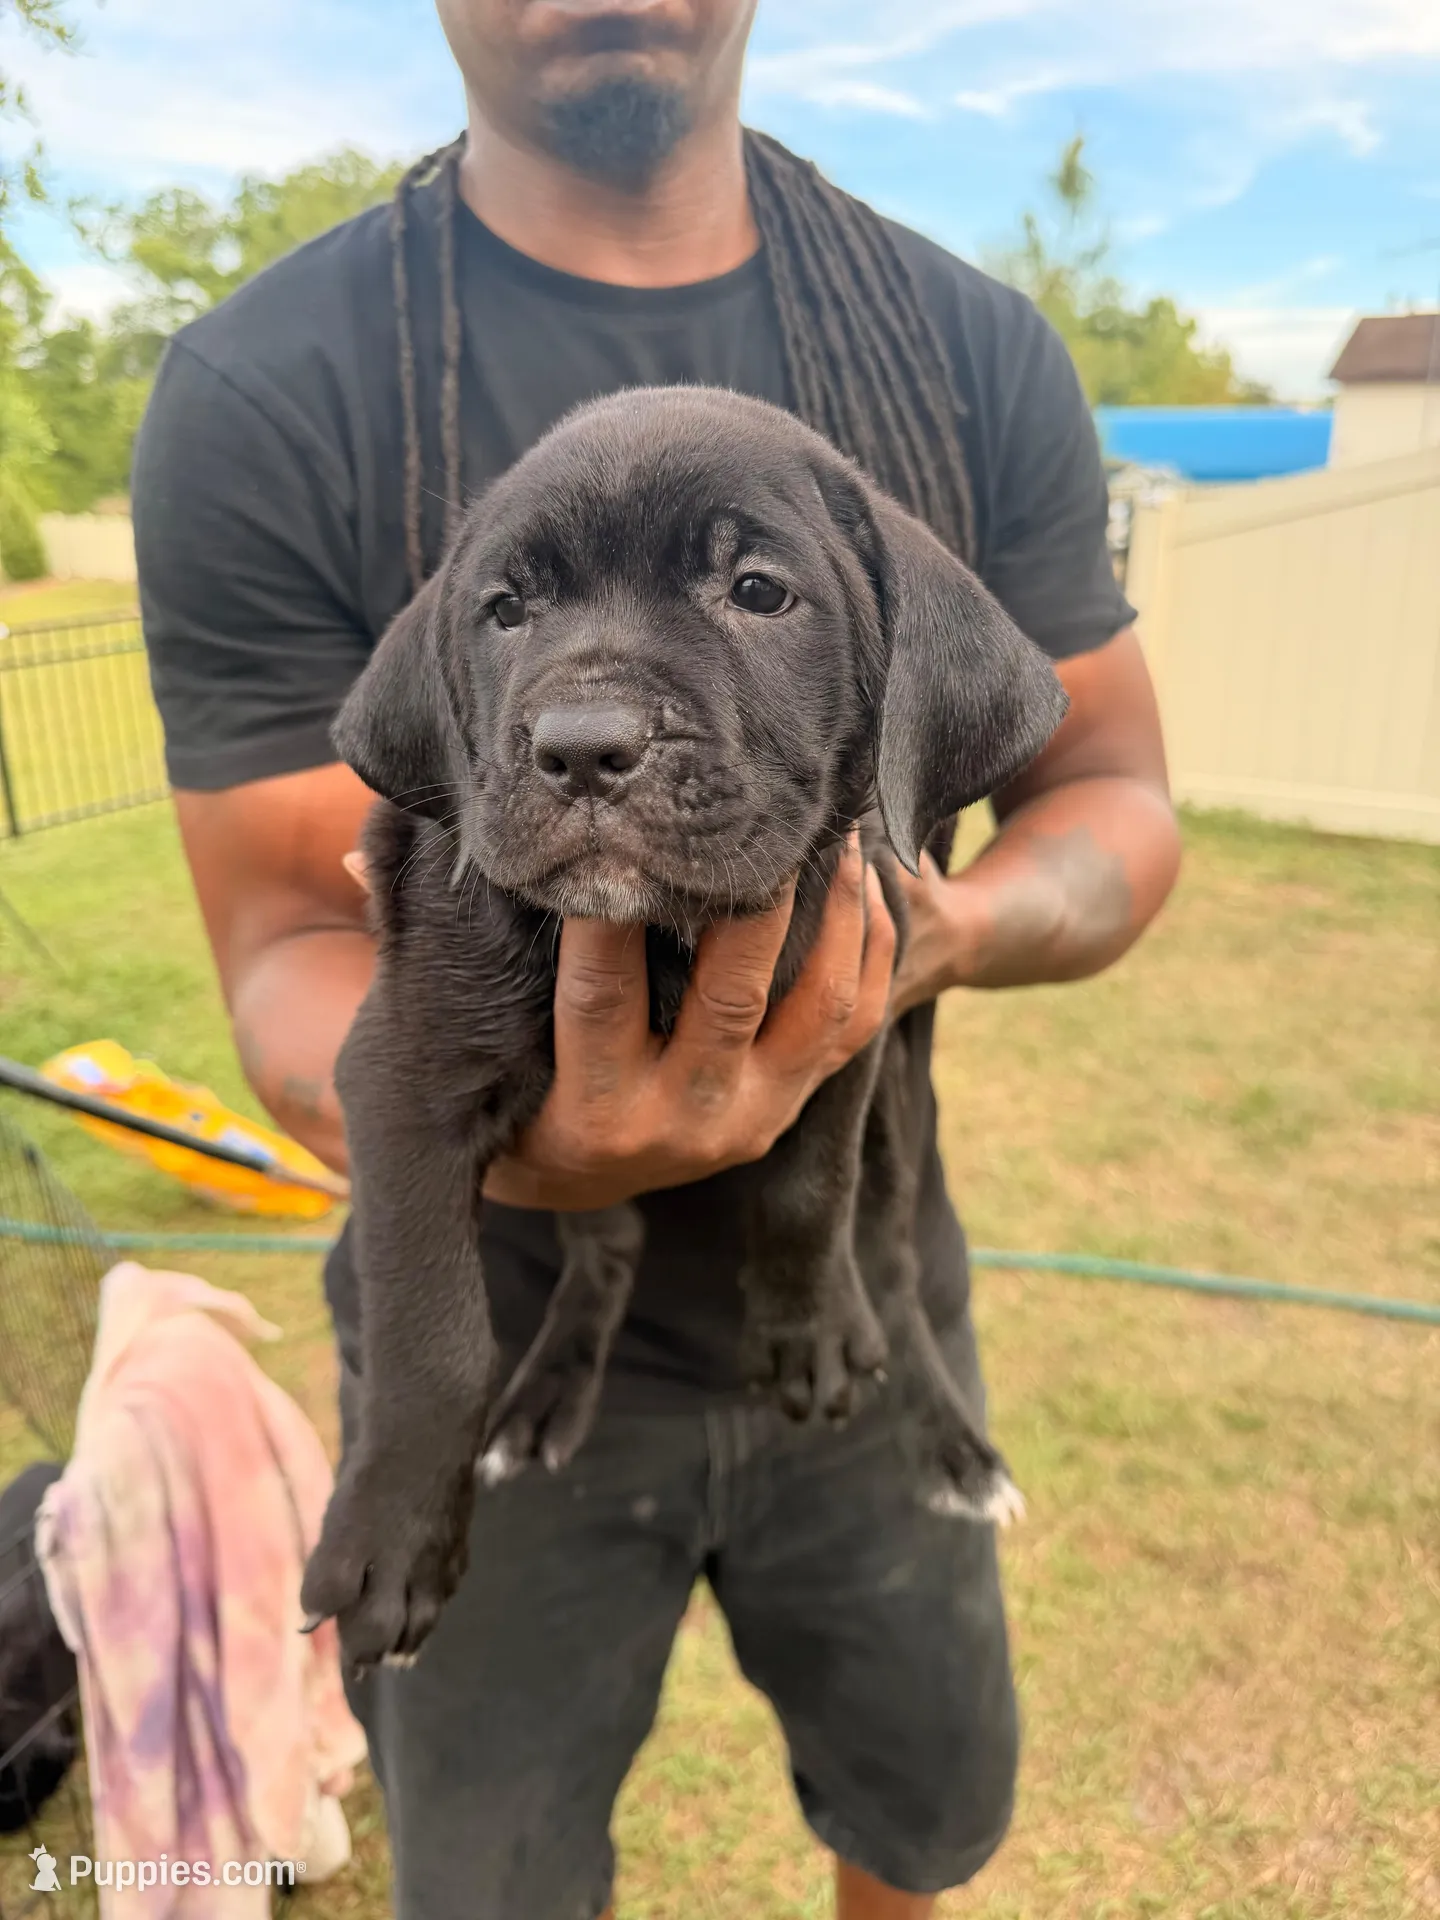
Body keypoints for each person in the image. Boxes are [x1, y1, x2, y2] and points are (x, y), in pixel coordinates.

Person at [132, 2, 1182, 1914]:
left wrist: (938, 928)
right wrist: (514, 1143)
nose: (594, 721)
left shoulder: (963, 347)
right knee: (499, 1873)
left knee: (919, 1807)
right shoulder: (270, 382)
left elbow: (1109, 788)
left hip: (854, 1275)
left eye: (751, 589)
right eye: (522, 612)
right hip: (493, 1309)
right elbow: (294, 932)